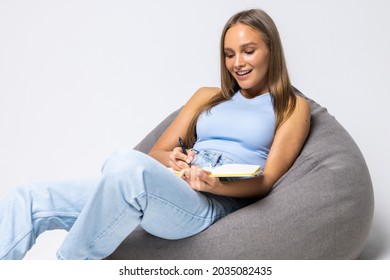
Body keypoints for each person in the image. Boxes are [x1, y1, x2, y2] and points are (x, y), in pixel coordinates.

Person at [0, 8, 310, 260]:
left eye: (248, 51)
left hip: (210, 203)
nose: (237, 63)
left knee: (123, 166)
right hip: (174, 187)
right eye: (229, 54)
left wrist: (215, 184)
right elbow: (156, 156)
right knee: (28, 198)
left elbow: (267, 182)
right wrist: (176, 161)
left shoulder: (292, 106)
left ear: (271, 50)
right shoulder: (207, 96)